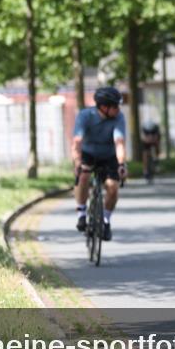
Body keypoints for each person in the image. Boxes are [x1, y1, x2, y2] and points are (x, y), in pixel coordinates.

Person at [72, 86, 128, 241]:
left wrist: (122, 164)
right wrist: (77, 162)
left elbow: (119, 143)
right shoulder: (85, 116)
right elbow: (77, 141)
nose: (118, 109)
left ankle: (106, 220)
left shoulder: (118, 118)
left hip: (109, 155)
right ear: (104, 107)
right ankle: (82, 213)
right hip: (88, 154)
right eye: (115, 106)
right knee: (83, 176)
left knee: (113, 187)